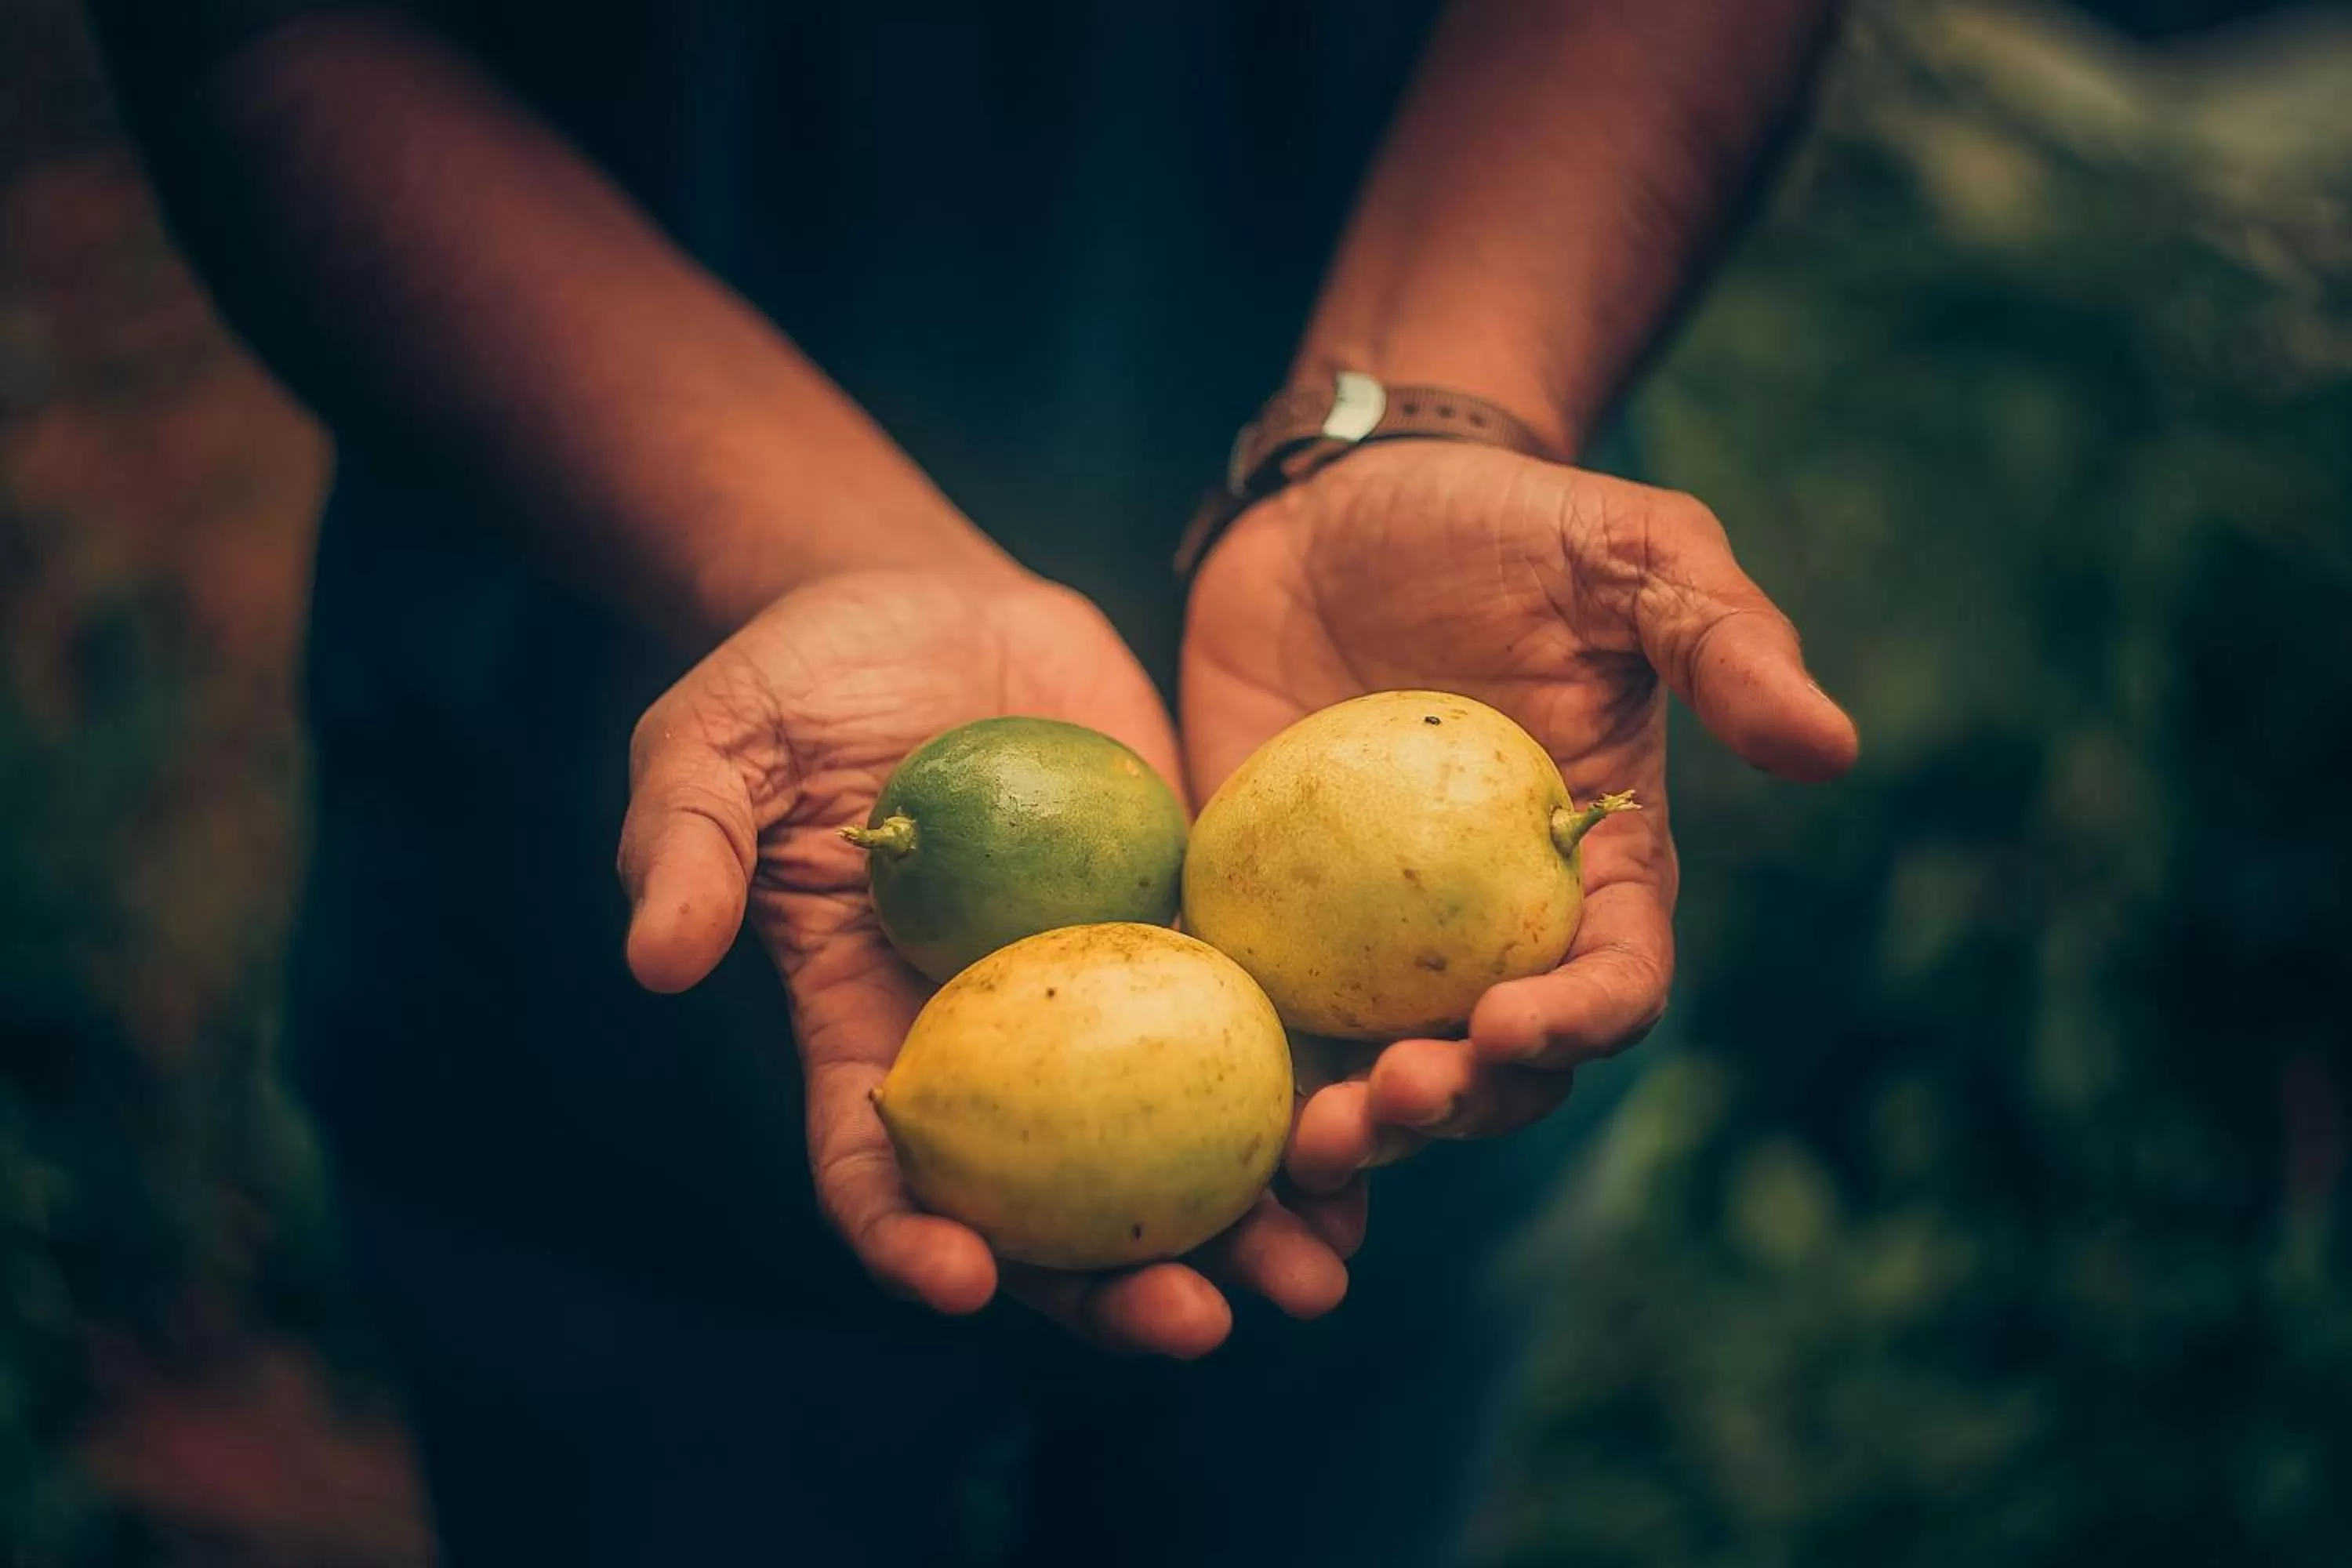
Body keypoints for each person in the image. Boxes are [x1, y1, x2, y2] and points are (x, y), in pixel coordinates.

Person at [89, 1, 1860, 1561]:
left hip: (1395, 1095)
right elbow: (254, 34)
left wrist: (1418, 410)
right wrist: (814, 554)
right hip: (569, 932)